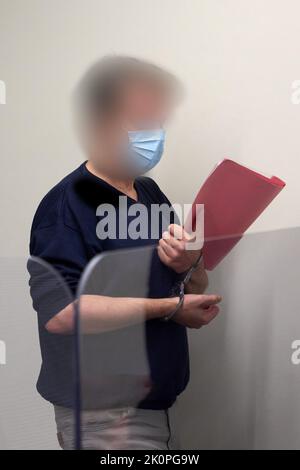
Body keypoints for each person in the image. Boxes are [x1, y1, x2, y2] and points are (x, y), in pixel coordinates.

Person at [29, 56, 221, 450]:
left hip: (157, 407)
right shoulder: (65, 206)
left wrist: (191, 265)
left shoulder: (151, 196)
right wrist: (169, 308)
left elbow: (187, 282)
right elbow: (62, 314)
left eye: (158, 124)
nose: (155, 135)